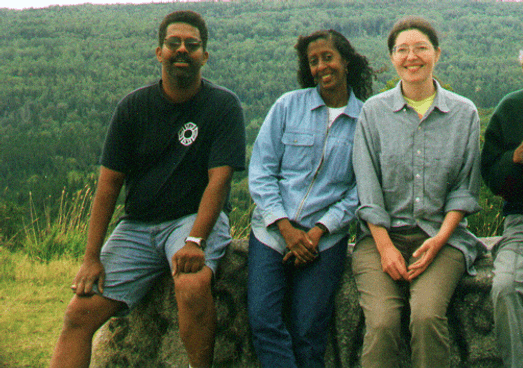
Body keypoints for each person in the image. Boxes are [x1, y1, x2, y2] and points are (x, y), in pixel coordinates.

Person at [49, 10, 245, 368]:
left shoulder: (222, 106)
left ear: (205, 55)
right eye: (173, 44)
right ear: (159, 53)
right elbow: (108, 186)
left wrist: (196, 241)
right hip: (138, 226)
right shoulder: (133, 107)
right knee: (78, 312)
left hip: (192, 220)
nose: (182, 50)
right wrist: (91, 258)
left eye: (192, 44)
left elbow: (220, 181)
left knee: (191, 283)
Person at [352, 16, 485, 368]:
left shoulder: (464, 113)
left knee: (426, 318)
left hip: (443, 238)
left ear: (437, 54)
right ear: (393, 57)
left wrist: (440, 239)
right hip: (380, 238)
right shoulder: (374, 112)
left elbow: (464, 189)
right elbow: (367, 188)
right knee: (381, 323)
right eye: (402, 50)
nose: (412, 57)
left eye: (421, 48)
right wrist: (384, 247)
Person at [248, 29, 373, 368]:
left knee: (308, 331)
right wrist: (286, 228)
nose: (321, 66)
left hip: (325, 240)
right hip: (271, 233)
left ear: (345, 60)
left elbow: (361, 188)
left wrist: (318, 231)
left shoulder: (366, 120)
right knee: (263, 320)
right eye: (313, 61)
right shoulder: (288, 106)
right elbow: (261, 170)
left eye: (327, 57)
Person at [481, 55, 523, 368]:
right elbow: (494, 181)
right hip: (520, 220)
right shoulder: (510, 109)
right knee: (505, 286)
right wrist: (514, 159)